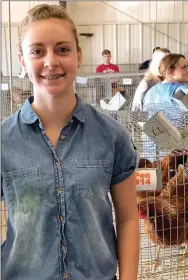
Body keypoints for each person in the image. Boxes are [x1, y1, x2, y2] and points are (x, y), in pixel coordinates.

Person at [1, 4, 139, 280]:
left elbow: (128, 218)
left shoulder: (112, 136)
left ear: (78, 56)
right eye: (38, 51)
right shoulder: (4, 141)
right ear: (22, 60)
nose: (51, 61)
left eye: (62, 49)